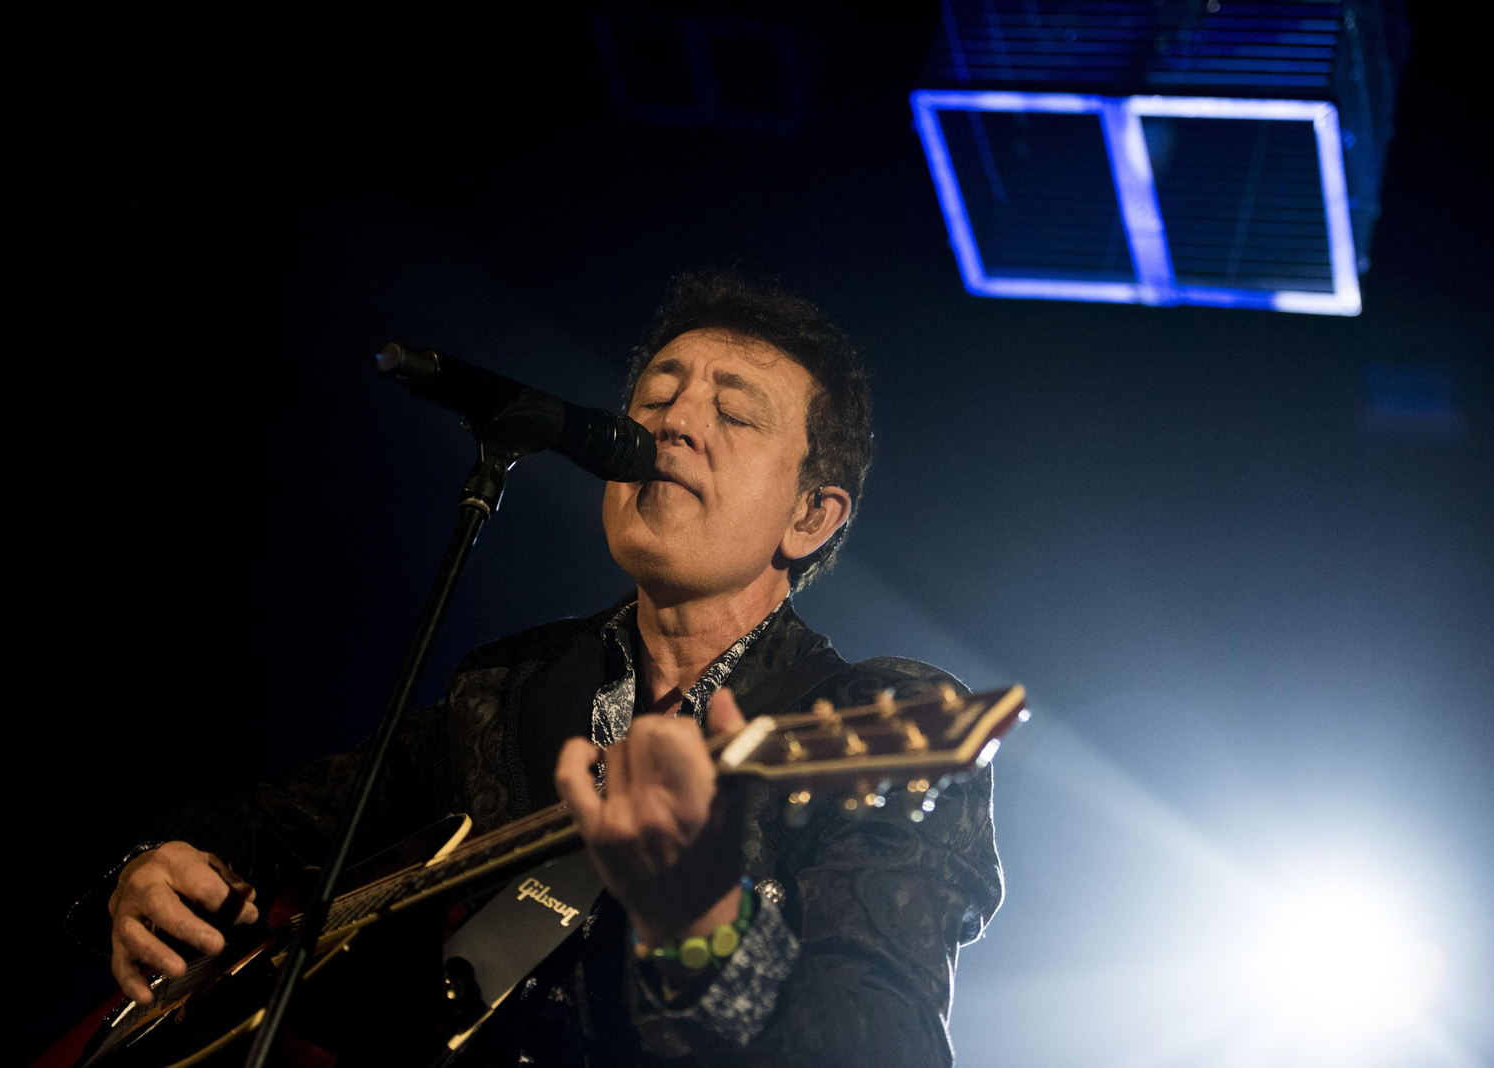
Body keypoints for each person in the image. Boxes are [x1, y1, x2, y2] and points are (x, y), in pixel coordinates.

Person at [72, 271, 1003, 1066]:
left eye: (732, 415)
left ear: (811, 517)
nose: (673, 422)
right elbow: (283, 821)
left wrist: (706, 919)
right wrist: (149, 867)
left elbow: (879, 1041)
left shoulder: (877, 716)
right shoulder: (509, 686)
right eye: (654, 397)